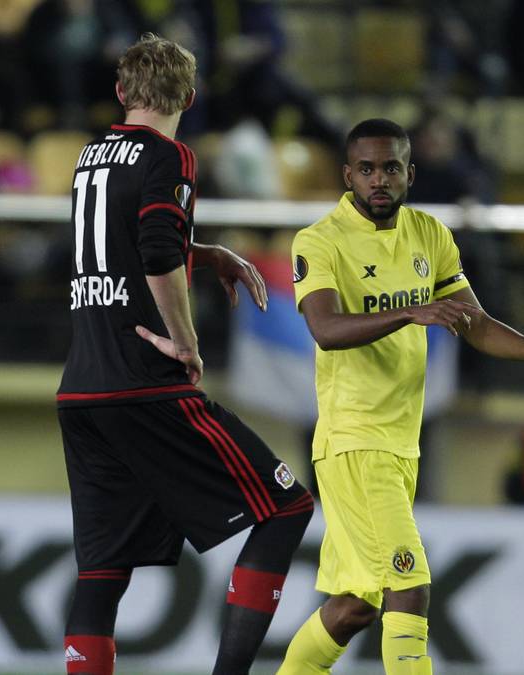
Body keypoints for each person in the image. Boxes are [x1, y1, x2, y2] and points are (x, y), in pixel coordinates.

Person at [279, 118, 524, 674]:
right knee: (409, 583)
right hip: (355, 442)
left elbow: (473, 322)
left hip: (400, 444)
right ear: (347, 175)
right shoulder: (320, 241)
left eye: (390, 168)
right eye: (366, 169)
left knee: (355, 605)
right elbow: (324, 328)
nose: (378, 180)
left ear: (410, 173)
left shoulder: (429, 235)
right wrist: (409, 312)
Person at [55, 34, 313, 675]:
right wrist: (186, 342)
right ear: (190, 99)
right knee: (286, 508)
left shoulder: (92, 155)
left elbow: (120, 245)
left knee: (103, 569)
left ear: (120, 93)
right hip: (145, 383)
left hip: (82, 387)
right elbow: (155, 252)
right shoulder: (170, 157)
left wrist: (206, 252)